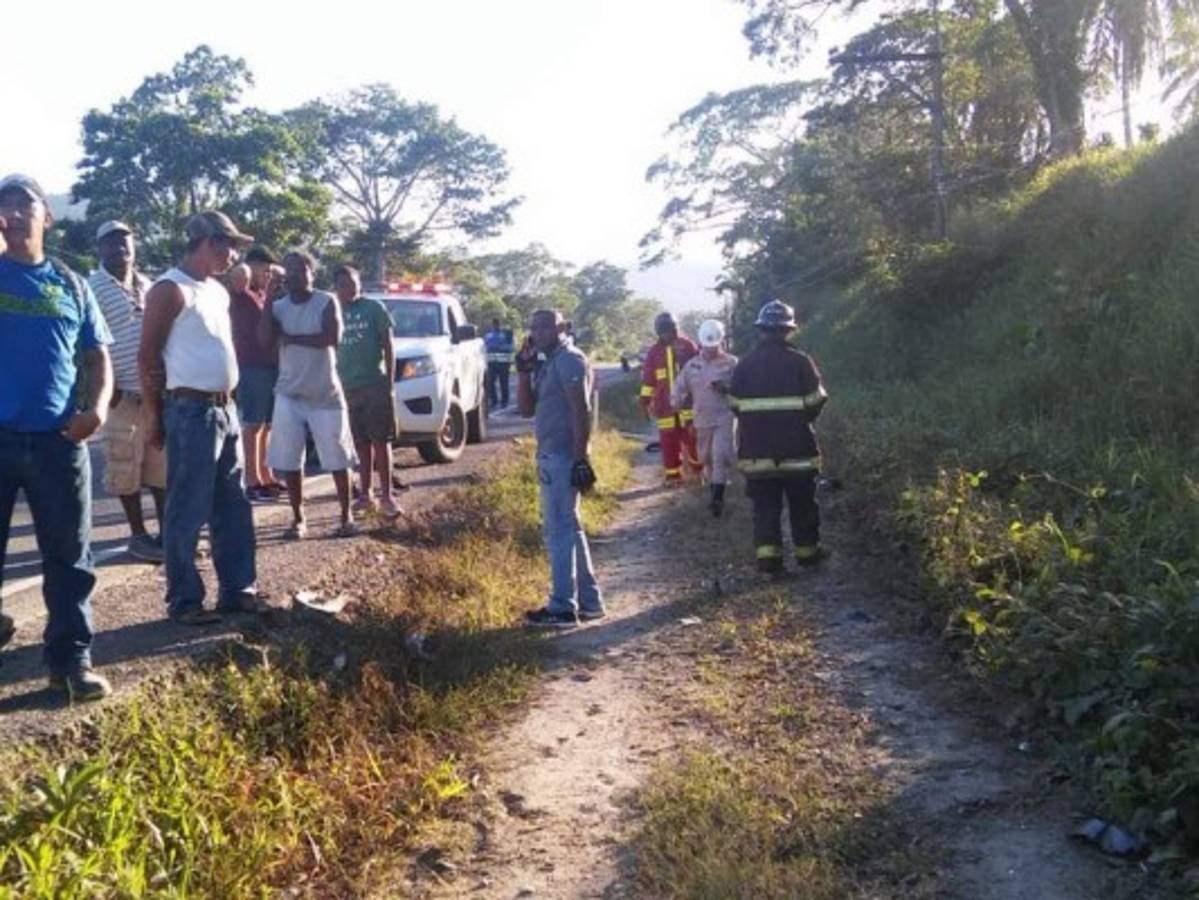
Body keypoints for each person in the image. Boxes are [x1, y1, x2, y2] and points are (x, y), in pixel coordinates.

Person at [0, 174, 114, 699]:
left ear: (48, 217)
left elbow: (98, 357)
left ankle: (70, 663)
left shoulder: (71, 283)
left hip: (58, 441)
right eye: (6, 205)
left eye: (27, 204)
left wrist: (96, 409)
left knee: (69, 558)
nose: (16, 213)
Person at [139, 210, 265, 623]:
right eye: (228, 245)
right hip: (190, 410)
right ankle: (185, 600)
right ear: (209, 242)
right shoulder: (170, 289)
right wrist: (155, 417)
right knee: (187, 507)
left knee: (233, 504)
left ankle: (238, 589)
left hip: (226, 407)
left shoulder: (217, 290)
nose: (233, 255)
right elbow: (147, 357)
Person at [259, 250, 356, 539]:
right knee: (290, 460)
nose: (293, 275)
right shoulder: (278, 306)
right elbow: (264, 340)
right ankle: (299, 518)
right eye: (288, 270)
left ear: (312, 274)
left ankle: (346, 515)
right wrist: (267, 298)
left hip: (325, 393)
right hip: (289, 392)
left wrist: (291, 339)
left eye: (300, 269)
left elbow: (332, 338)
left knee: (337, 458)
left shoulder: (326, 301)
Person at [517, 309, 604, 629]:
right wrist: (524, 370)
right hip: (551, 454)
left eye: (545, 326)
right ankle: (590, 602)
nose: (537, 332)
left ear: (562, 328)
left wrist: (581, 457)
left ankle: (563, 607)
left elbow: (580, 410)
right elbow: (526, 409)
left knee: (558, 532)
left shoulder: (570, 360)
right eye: (533, 327)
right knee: (571, 528)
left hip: (563, 456)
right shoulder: (548, 362)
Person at [729, 300, 828, 573]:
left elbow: (735, 404)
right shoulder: (801, 362)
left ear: (761, 330)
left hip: (756, 455)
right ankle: (808, 555)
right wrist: (799, 421)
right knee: (803, 506)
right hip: (798, 451)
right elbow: (817, 400)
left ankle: (769, 561)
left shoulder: (745, 365)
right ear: (789, 330)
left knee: (765, 509)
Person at [89, 220, 166, 562]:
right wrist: (109, 391)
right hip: (120, 396)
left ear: (135, 245)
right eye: (110, 241)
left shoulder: (150, 285)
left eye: (125, 240)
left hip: (154, 394)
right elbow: (86, 344)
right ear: (99, 249)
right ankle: (138, 535)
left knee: (160, 468)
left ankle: (168, 535)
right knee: (124, 467)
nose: (119, 246)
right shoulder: (92, 287)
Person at [334, 264, 401, 519]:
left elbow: (388, 345)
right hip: (346, 387)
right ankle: (365, 494)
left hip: (374, 383)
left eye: (352, 282)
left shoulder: (374, 309)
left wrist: (390, 383)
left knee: (380, 441)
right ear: (336, 288)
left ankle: (387, 495)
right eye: (342, 284)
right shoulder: (334, 310)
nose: (347, 288)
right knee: (360, 443)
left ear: (359, 283)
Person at [228, 247, 281, 501]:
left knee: (267, 425)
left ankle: (265, 473)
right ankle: (251, 479)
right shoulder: (242, 292)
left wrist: (270, 279)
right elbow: (238, 273)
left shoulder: (263, 294)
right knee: (253, 423)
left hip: (270, 365)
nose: (269, 275)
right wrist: (249, 266)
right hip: (251, 365)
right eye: (265, 269)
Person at [672, 319, 738, 517]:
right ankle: (714, 486)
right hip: (702, 419)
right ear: (701, 343)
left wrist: (726, 389)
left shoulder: (732, 363)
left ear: (721, 342)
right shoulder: (692, 366)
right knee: (706, 457)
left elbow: (744, 388)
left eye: (714, 345)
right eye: (707, 346)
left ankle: (717, 498)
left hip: (724, 417)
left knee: (719, 456)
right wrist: (676, 402)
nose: (711, 349)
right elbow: (679, 388)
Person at [640, 312, 702, 483]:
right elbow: (648, 380)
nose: (667, 333)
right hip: (664, 405)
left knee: (692, 437)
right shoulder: (654, 352)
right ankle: (673, 475)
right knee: (668, 441)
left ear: (676, 328)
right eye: (663, 330)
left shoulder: (688, 346)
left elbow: (699, 372)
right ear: (658, 331)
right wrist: (645, 402)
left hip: (687, 404)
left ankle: (698, 471)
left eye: (670, 329)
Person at [483, 317, 514, 411]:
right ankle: (494, 401)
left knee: (503, 382)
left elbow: (510, 347)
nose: (495, 326)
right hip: (491, 362)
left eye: (497, 324)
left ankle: (504, 401)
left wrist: (496, 347)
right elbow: (485, 347)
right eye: (494, 324)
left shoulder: (506, 334)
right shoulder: (488, 335)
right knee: (490, 382)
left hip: (503, 362)